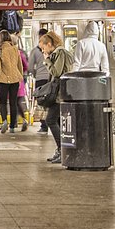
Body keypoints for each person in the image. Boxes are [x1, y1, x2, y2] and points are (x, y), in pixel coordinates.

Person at [39, 31, 73, 164]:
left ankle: (62, 149)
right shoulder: (59, 52)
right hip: (60, 93)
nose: (43, 51)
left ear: (49, 44)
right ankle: (62, 150)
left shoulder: (60, 52)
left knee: (51, 120)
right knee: (56, 121)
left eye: (43, 48)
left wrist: (47, 60)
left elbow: (56, 72)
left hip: (60, 94)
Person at [0, 30, 23, 134]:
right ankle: (12, 127)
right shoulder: (15, 49)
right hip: (15, 79)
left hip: (3, 79)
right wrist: (20, 76)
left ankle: (4, 121)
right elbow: (20, 65)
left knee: (2, 102)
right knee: (13, 103)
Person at [28, 29, 50, 133]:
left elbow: (30, 67)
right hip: (50, 79)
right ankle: (52, 122)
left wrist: (35, 74)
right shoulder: (52, 50)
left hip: (40, 79)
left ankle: (44, 126)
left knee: (41, 102)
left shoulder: (35, 51)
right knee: (51, 100)